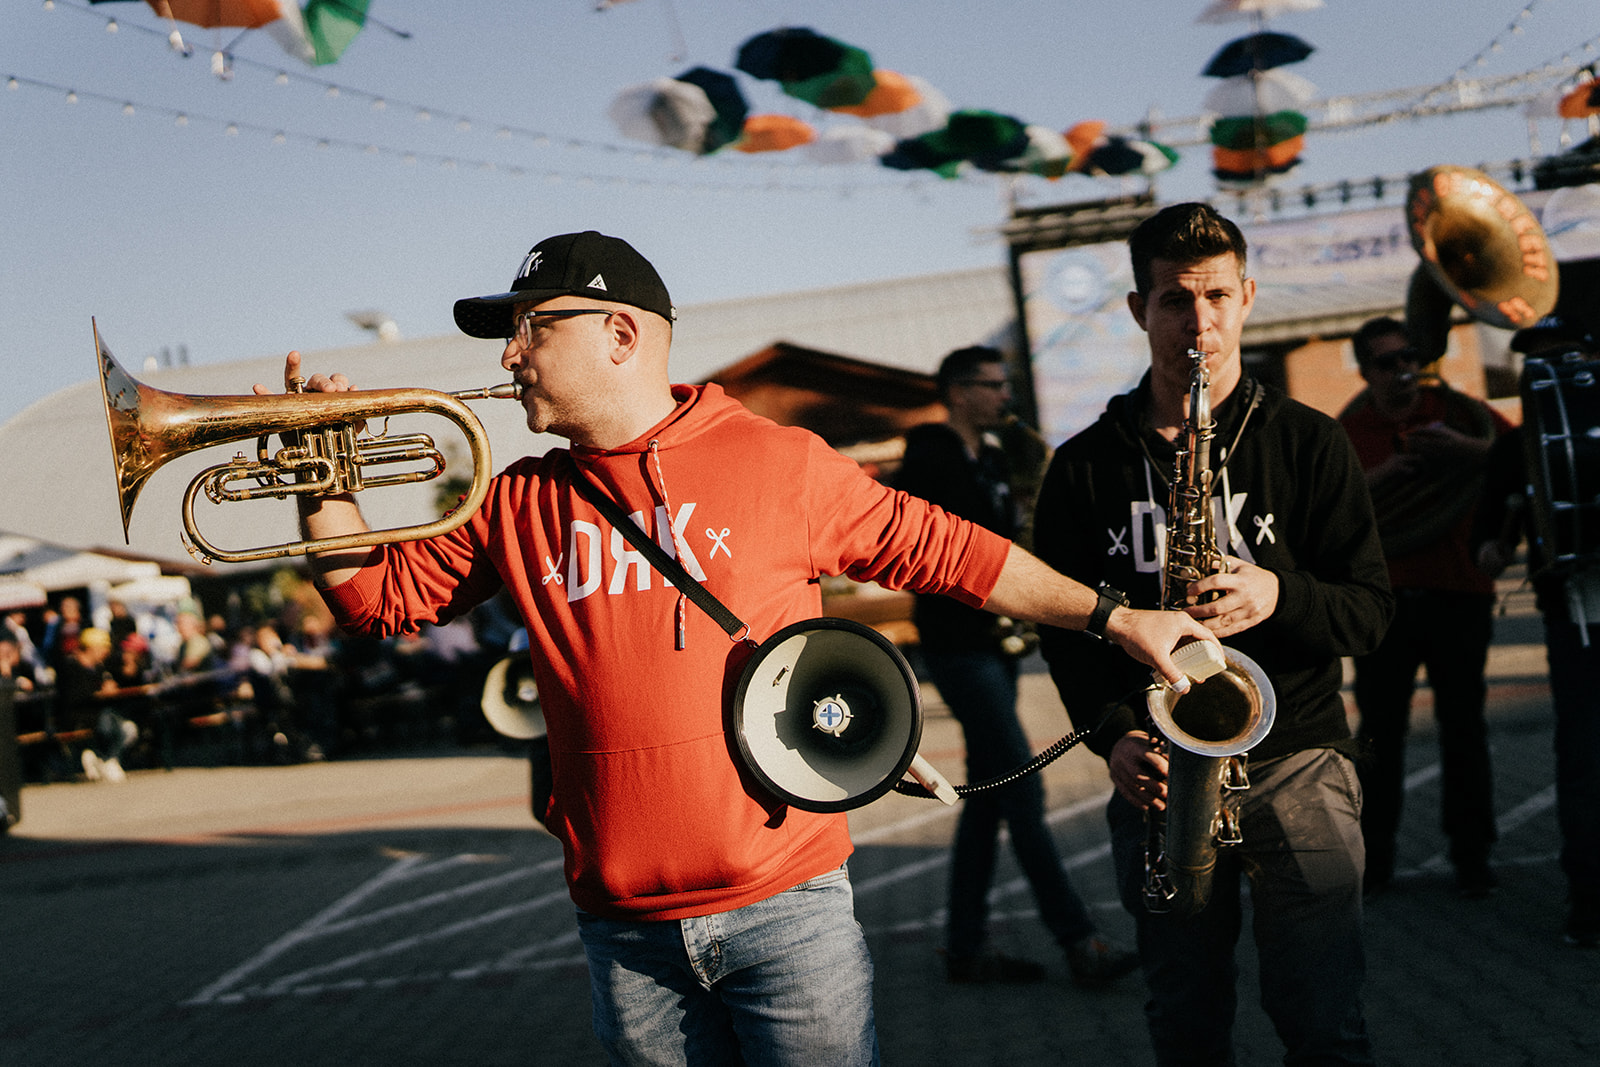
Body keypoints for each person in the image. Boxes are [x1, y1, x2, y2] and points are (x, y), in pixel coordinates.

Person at [256, 229, 1214, 1065]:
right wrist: (320, 481)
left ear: (619, 334)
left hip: (787, 909)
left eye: (531, 327)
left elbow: (951, 551)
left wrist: (1115, 617)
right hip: (625, 936)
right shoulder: (518, 498)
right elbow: (377, 600)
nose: (510, 355)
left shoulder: (774, 460)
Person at [1032, 203, 1393, 1066]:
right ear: (1138, 309)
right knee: (1186, 1021)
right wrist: (1114, 734)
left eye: (1218, 296)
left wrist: (1279, 593)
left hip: (1298, 757)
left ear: (1248, 298)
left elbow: (1371, 611)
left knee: (1324, 1021)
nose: (1199, 322)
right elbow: (1065, 634)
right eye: (1174, 299)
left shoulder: (1309, 441)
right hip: (1161, 776)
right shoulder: (1083, 465)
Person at [895, 344, 1137, 987]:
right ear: (957, 391)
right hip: (957, 645)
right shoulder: (930, 458)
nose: (1005, 396)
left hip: (996, 645)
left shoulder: (995, 456)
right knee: (1022, 789)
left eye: (1005, 385)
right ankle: (1079, 941)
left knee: (988, 795)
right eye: (992, 385)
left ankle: (965, 947)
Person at [1336, 316, 1511, 897]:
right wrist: (1385, 476)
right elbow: (1326, 511)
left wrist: (1471, 451)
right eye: (1387, 363)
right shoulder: (1348, 431)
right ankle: (1375, 860)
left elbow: (1520, 459)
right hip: (1382, 603)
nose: (1404, 370)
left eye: (1409, 357)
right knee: (1379, 736)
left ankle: (1472, 856)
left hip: (1458, 591)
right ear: (1365, 372)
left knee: (1464, 727)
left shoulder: (1458, 415)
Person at [1473, 315, 1600, 947]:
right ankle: (1590, 904)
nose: (1552, 374)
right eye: (1540, 363)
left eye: (1564, 360)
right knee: (1585, 761)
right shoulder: (1517, 448)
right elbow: (1484, 548)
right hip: (1573, 619)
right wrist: (1494, 547)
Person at [54, 627, 134, 783]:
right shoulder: (70, 666)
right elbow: (73, 696)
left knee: (129, 729)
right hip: (76, 716)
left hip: (98, 714)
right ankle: (104, 759)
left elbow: (114, 682)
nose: (107, 652)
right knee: (108, 721)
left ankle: (105, 758)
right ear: (91, 648)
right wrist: (100, 692)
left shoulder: (99, 668)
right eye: (104, 648)